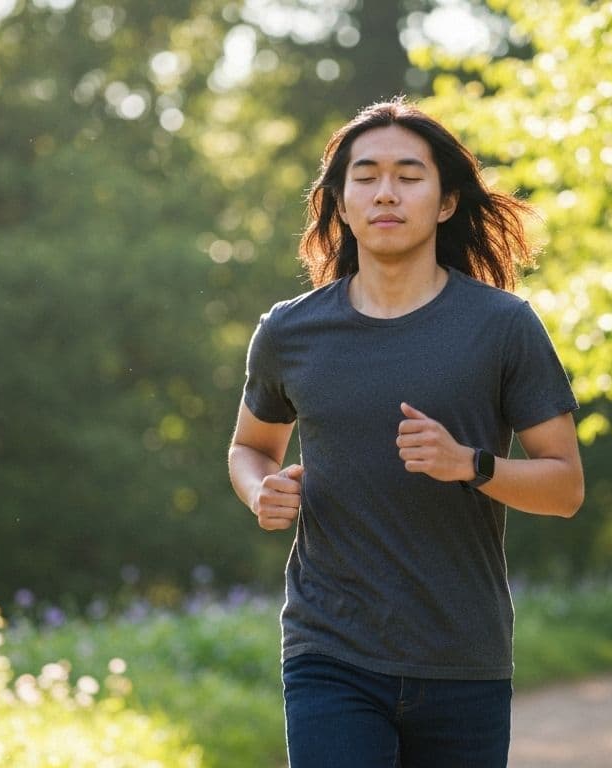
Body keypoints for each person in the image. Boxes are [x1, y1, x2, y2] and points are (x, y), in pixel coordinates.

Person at [227, 98, 584, 768]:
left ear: (446, 201)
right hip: (329, 649)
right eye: (365, 175)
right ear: (338, 199)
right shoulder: (290, 331)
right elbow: (250, 447)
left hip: (463, 658)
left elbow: (564, 487)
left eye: (409, 175)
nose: (385, 192)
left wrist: (472, 464)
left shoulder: (503, 326)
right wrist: (260, 492)